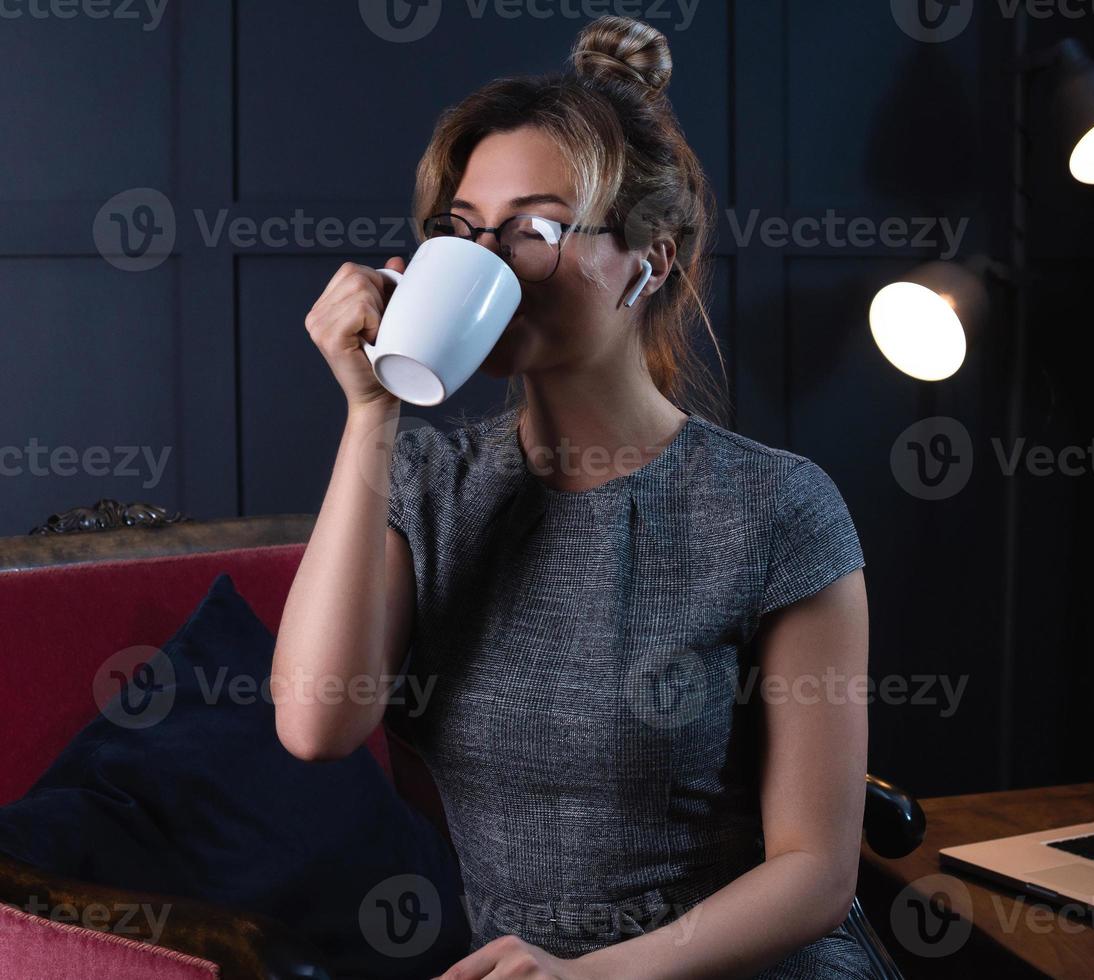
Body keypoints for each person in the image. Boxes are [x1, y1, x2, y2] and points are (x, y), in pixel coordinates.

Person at [272, 15, 875, 979]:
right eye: (464, 233)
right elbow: (315, 722)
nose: (489, 262)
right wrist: (372, 412)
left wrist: (593, 976)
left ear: (651, 258)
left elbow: (816, 873)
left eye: (537, 230)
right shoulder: (425, 484)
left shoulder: (777, 508)